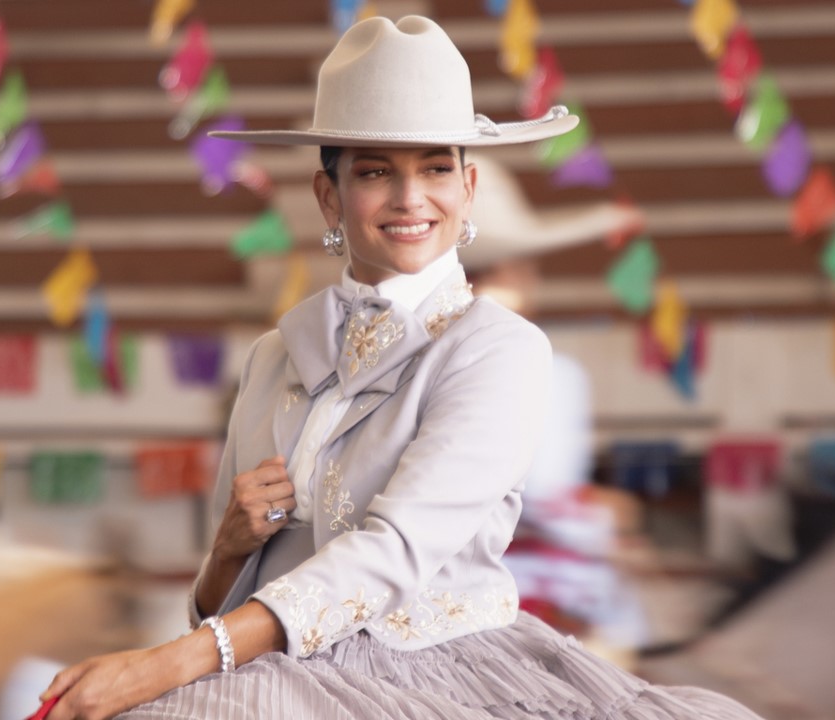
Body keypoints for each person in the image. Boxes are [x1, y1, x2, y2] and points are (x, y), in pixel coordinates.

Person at [41, 16, 763, 720]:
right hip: (273, 674)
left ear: (467, 188)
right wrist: (226, 555)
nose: (411, 198)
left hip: (442, 679)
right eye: (376, 171)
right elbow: (223, 611)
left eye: (435, 168)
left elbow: (395, 552)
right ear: (329, 196)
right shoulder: (273, 356)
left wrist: (166, 662)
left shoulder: (501, 349)